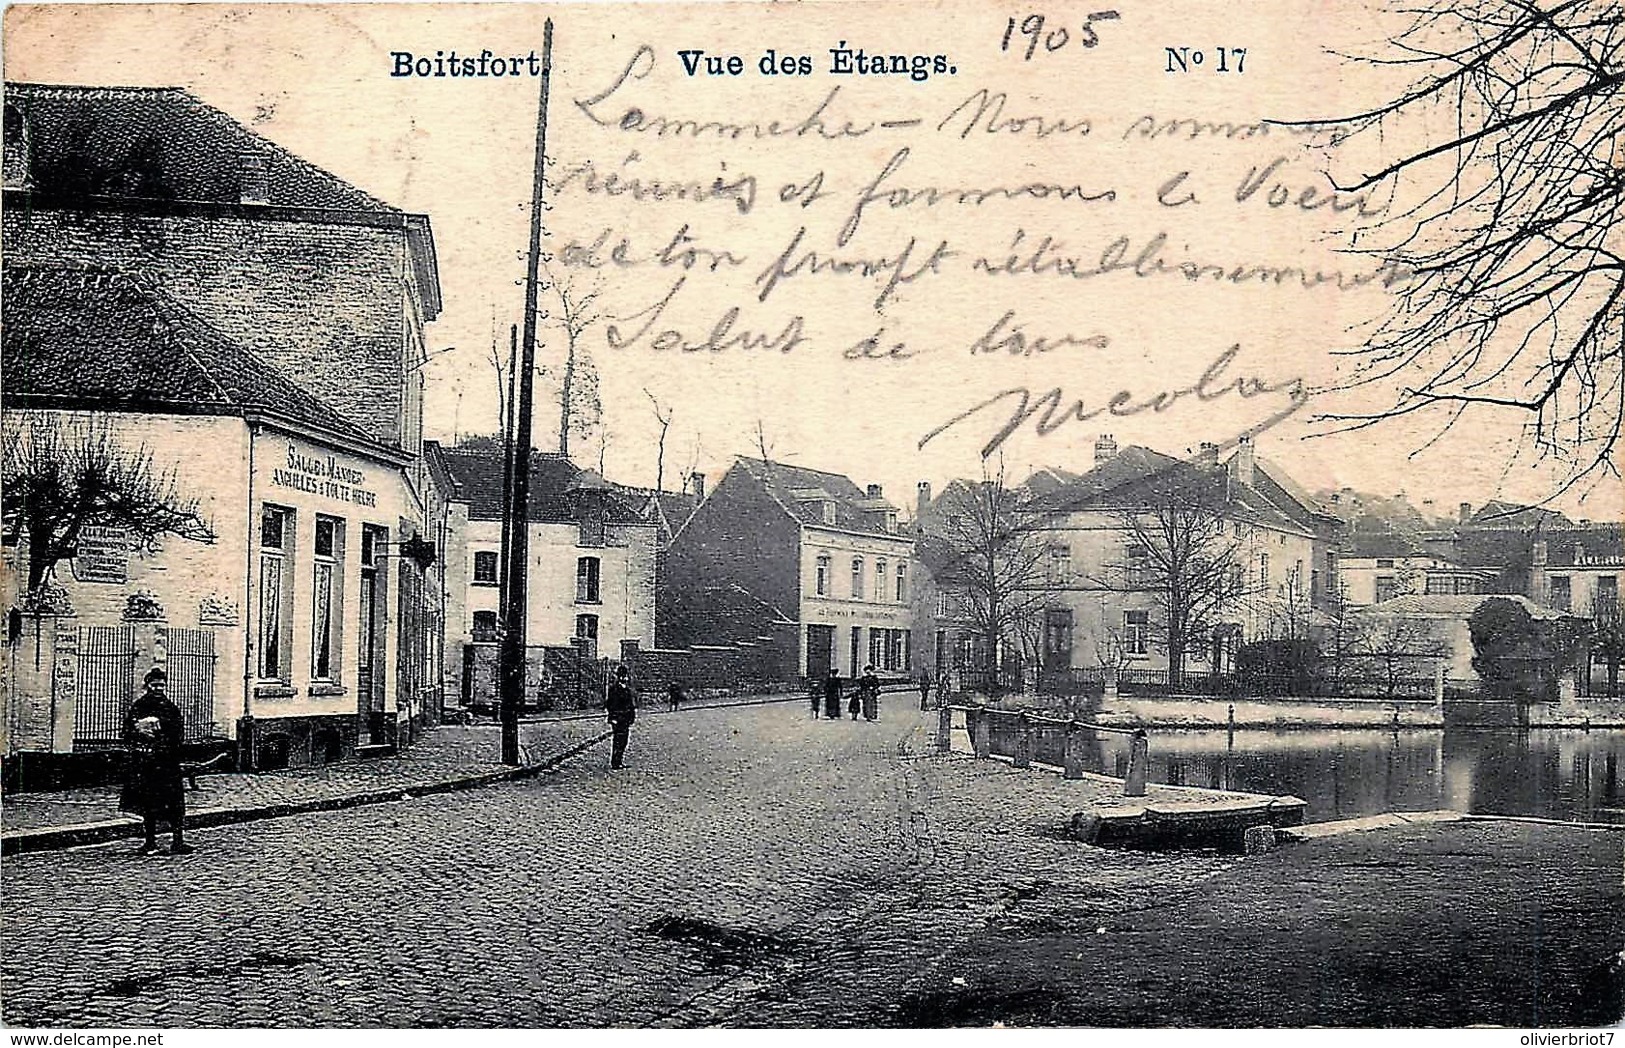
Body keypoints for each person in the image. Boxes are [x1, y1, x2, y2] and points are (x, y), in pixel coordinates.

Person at [119, 667, 192, 856]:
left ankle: (178, 841)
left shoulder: (170, 707)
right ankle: (150, 842)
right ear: (147, 685)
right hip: (146, 762)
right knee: (148, 803)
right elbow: (126, 732)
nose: (158, 688)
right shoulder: (139, 706)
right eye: (155, 685)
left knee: (174, 804)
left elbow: (178, 733)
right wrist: (139, 731)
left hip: (167, 762)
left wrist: (166, 741)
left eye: (162, 685)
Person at [605, 666, 637, 769]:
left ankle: (619, 760)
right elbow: (611, 705)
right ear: (618, 677)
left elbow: (630, 705)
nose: (624, 678)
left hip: (625, 719)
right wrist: (613, 718)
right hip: (618, 719)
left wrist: (632, 717)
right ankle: (615, 762)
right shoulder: (614, 689)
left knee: (624, 741)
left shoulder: (626, 689)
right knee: (618, 740)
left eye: (625, 676)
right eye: (622, 676)